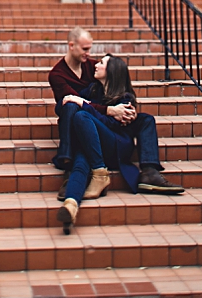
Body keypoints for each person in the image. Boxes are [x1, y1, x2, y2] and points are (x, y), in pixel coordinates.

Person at [57, 54, 184, 234]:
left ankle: (101, 172)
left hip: (116, 146)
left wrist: (85, 105)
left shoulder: (126, 98)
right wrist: (85, 103)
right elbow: (63, 104)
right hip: (94, 147)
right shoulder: (93, 90)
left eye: (101, 63)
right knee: (80, 163)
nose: (96, 65)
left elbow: (111, 124)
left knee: (81, 115)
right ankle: (71, 206)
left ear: (111, 71)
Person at [48, 29, 185, 194]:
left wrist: (127, 112)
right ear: (72, 46)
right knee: (72, 108)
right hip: (82, 121)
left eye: (90, 49)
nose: (91, 56)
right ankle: (68, 163)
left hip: (102, 122)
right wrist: (109, 110)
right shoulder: (57, 75)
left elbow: (100, 97)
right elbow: (73, 103)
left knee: (146, 119)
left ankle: (150, 171)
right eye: (85, 49)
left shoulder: (92, 67)